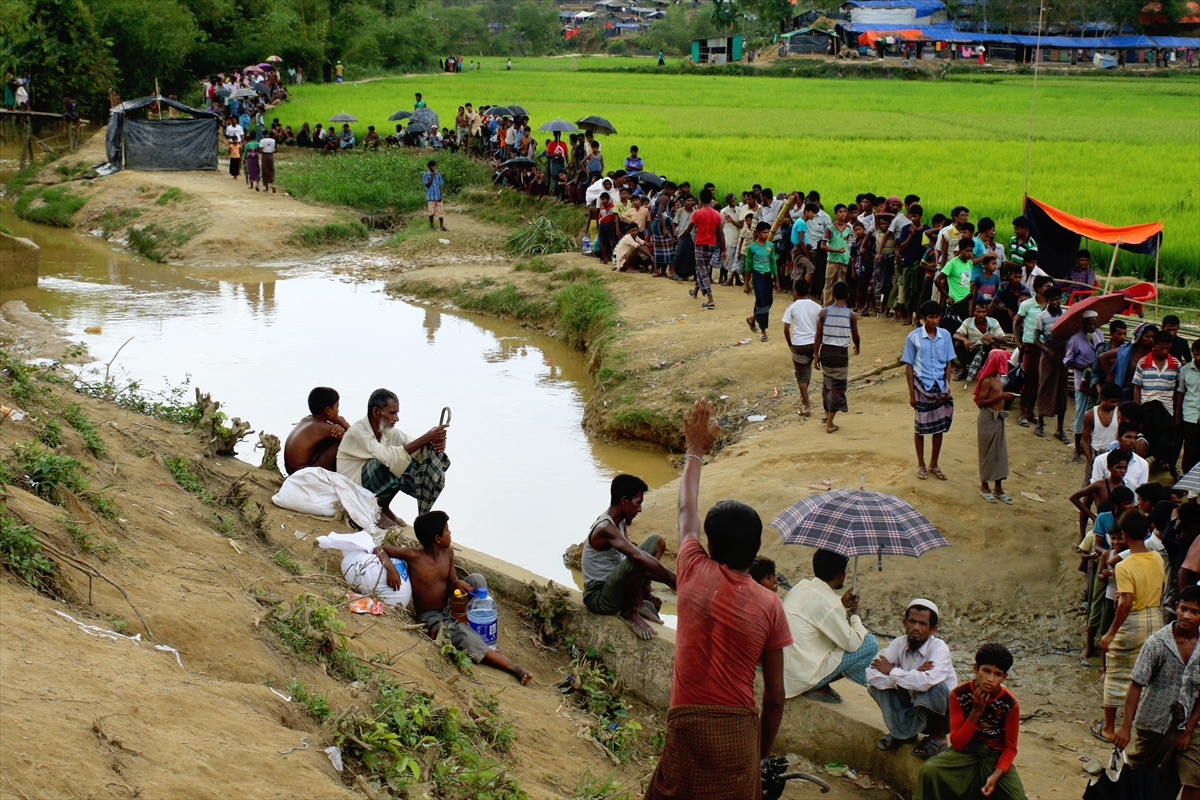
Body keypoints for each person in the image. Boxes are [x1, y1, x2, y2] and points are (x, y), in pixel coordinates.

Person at [643, 400, 792, 800]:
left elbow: (685, 506)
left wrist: (695, 449)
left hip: (686, 725)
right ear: (758, 548)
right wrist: (759, 758)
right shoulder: (770, 605)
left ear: (708, 544)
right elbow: (775, 698)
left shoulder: (692, 568)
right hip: (738, 735)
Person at [375, 511, 532, 685]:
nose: (450, 533)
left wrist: (457, 584)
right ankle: (512, 667)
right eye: (447, 530)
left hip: (449, 605)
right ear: (437, 538)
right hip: (432, 617)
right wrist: (389, 568)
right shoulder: (414, 556)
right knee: (462, 634)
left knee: (477, 580)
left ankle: (481, 636)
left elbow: (450, 583)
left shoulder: (448, 552)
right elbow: (379, 548)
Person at [1110, 584, 1200, 799]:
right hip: (1154, 723)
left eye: (1195, 612)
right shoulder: (1157, 643)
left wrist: (1188, 730)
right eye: (1184, 609)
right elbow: (1136, 684)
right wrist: (1125, 727)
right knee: (1142, 779)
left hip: (1191, 724)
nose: (1187, 616)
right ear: (1176, 607)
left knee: (1193, 779)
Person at [914, 643, 1025, 800]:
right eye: (986, 671)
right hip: (966, 752)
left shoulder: (1009, 703)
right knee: (929, 771)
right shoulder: (959, 695)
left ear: (1004, 677)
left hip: (995, 757)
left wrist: (996, 774)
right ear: (976, 669)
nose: (990, 679)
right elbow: (958, 743)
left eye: (997, 674)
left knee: (1017, 798)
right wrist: (976, 712)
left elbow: (1010, 748)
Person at [1096, 510, 1166, 742]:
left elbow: (1125, 602)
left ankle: (1108, 727)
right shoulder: (1157, 558)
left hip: (1132, 620)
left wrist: (1111, 632)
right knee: (1142, 671)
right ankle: (1133, 721)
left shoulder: (1125, 566)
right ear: (1147, 532)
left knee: (1116, 670)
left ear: (1123, 535)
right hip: (1155, 618)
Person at [580, 474, 676, 639]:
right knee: (638, 557)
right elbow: (637, 559)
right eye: (638, 503)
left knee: (657, 542)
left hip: (613, 590)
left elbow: (631, 568)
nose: (639, 509)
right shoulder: (605, 527)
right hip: (598, 598)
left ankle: (638, 601)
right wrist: (673, 578)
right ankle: (629, 612)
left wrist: (652, 588)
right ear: (624, 501)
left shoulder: (620, 524)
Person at [335, 389, 450, 523]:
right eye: (392, 413)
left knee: (406, 459)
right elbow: (387, 457)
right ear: (376, 412)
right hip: (351, 487)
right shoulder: (359, 431)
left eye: (397, 413)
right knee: (389, 461)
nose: (397, 418)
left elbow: (414, 446)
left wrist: (434, 443)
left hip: (367, 483)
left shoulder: (388, 431)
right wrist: (427, 437)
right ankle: (375, 511)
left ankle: (383, 506)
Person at [781, 549, 878, 702]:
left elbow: (818, 607)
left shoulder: (801, 586)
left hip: (781, 671)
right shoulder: (830, 605)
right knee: (869, 643)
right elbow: (852, 644)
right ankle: (819, 686)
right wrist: (855, 617)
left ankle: (819, 681)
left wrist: (840, 603)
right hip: (799, 678)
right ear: (840, 575)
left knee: (835, 636)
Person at [867, 600, 958, 757]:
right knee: (878, 687)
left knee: (935, 686)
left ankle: (939, 737)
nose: (916, 628)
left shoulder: (939, 649)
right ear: (904, 623)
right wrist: (910, 675)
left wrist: (893, 672)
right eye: (912, 622)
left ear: (933, 629)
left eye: (922, 624)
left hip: (941, 715)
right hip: (914, 707)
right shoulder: (898, 644)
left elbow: (928, 681)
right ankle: (905, 732)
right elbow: (872, 674)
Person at [903, 301, 957, 481]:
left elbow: (949, 362)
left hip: (940, 387)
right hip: (922, 387)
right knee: (920, 426)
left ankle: (934, 463)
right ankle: (921, 464)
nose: (935, 321)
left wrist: (947, 385)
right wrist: (911, 394)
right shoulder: (913, 337)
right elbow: (909, 367)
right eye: (931, 317)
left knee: (939, 427)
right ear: (922, 319)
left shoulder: (946, 335)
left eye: (937, 317)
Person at [1134, 330, 1183, 481]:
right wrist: (1137, 413)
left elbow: (1178, 391)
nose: (1164, 351)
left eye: (1167, 348)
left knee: (1167, 441)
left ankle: (1171, 467)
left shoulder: (1176, 364)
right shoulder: (1143, 363)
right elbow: (1137, 388)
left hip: (1166, 408)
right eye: (1161, 347)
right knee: (1147, 438)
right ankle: (1142, 470)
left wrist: (1176, 414)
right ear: (1154, 345)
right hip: (1147, 406)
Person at [813, 281, 860, 435]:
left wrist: (816, 355)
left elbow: (818, 335)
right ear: (848, 296)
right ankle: (830, 423)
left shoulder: (824, 312)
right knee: (838, 388)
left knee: (827, 382)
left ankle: (826, 414)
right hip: (840, 354)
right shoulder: (851, 315)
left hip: (826, 352)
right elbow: (856, 336)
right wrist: (857, 346)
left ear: (832, 295)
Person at [975, 349, 1015, 504]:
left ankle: (998, 487)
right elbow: (981, 402)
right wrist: (1001, 397)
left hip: (998, 418)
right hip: (988, 418)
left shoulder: (998, 378)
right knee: (986, 453)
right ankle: (984, 486)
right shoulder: (987, 380)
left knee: (999, 453)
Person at [1065, 310, 1106, 461]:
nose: (1093, 326)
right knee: (1080, 414)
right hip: (1081, 381)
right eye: (1090, 324)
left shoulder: (1099, 334)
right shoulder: (1075, 339)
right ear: (1083, 324)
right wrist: (1084, 367)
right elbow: (1067, 360)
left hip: (1095, 381)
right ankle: (1077, 449)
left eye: (1095, 323)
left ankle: (1089, 446)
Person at [283, 387, 353, 474]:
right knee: (342, 443)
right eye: (337, 407)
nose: (338, 411)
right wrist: (342, 421)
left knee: (332, 439)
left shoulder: (307, 419)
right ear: (328, 410)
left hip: (291, 469)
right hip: (303, 473)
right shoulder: (323, 428)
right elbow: (354, 439)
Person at [1032, 286, 1068, 443]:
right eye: (1052, 299)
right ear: (1046, 301)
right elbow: (1035, 339)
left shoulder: (1066, 315)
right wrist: (1047, 350)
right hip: (1048, 355)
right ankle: (1040, 423)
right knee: (1044, 386)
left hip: (1063, 355)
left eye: (1057, 299)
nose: (1055, 302)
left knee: (1062, 389)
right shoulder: (1041, 317)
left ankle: (1060, 429)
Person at [1014, 276, 1051, 428]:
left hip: (1045, 348)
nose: (1049, 288)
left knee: (1039, 381)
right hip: (1030, 346)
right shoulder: (1027, 305)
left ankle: (1031, 411)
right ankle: (1023, 412)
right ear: (1039, 288)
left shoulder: (1051, 306)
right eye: (1047, 286)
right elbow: (1016, 321)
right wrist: (1018, 341)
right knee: (1028, 379)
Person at [781, 279, 821, 417]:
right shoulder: (817, 307)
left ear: (796, 292)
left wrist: (790, 345)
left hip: (798, 344)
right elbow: (821, 326)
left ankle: (807, 405)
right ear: (808, 291)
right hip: (814, 343)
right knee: (806, 373)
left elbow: (786, 329)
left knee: (801, 375)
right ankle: (805, 398)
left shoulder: (792, 307)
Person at [680, 188, 723, 310]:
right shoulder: (717, 214)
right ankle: (694, 292)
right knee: (703, 268)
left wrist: (679, 236)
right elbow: (721, 233)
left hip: (700, 244)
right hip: (711, 244)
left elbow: (689, 229)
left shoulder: (697, 213)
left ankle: (710, 299)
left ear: (700, 199)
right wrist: (723, 249)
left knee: (702, 269)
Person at [743, 222, 778, 343]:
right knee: (762, 302)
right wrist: (746, 283)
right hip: (757, 276)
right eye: (764, 232)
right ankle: (763, 331)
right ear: (758, 233)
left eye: (768, 232)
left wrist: (777, 281)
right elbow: (748, 266)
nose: (767, 234)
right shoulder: (752, 248)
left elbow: (773, 263)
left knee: (769, 301)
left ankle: (752, 318)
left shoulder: (770, 246)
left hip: (768, 276)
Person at [952, 304, 1005, 383]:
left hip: (986, 351)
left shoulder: (993, 322)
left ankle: (991, 372)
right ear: (973, 312)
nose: (981, 314)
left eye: (983, 312)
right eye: (978, 312)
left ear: (987, 312)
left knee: (994, 345)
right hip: (972, 349)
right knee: (958, 343)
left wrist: (992, 336)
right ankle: (964, 371)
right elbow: (956, 334)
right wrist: (964, 339)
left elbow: (1004, 340)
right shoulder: (968, 321)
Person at [936, 238, 976, 322]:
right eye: (967, 251)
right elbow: (937, 280)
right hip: (956, 302)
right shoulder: (952, 264)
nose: (970, 254)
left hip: (966, 300)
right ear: (960, 250)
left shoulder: (969, 263)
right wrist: (947, 296)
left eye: (971, 251)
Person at [1181, 339, 1200, 473]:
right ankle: (1187, 476)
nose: (1198, 358)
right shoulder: (1186, 370)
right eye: (1195, 355)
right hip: (1191, 415)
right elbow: (1180, 392)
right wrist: (1177, 415)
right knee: (1190, 448)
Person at [423, 160, 447, 232]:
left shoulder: (438, 174)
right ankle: (431, 226)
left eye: (434, 166)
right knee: (431, 212)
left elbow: (440, 185)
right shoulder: (426, 175)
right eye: (433, 166)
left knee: (440, 211)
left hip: (437, 196)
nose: (434, 167)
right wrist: (432, 177)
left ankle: (442, 226)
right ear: (429, 167)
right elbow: (427, 185)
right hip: (430, 196)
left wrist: (440, 195)